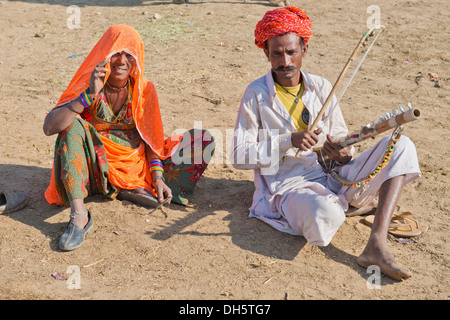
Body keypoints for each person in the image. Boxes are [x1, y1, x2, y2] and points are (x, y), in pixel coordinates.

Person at [231, 7, 421, 280]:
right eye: (277, 53)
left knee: (403, 145)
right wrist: (288, 140)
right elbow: (239, 156)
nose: (285, 61)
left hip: (333, 175)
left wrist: (344, 155)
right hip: (289, 185)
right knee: (325, 213)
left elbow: (342, 139)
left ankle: (376, 243)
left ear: (304, 49)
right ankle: (349, 204)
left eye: (292, 52)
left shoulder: (321, 86)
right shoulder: (256, 94)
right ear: (266, 53)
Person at [44, 25, 214, 251]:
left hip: (136, 166)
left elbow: (151, 139)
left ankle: (134, 188)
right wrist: (88, 95)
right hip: (95, 170)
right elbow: (49, 128)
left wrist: (158, 177)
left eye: (129, 54)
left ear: (137, 59)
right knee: (71, 125)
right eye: (116, 53)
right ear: (104, 54)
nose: (121, 61)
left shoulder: (144, 90)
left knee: (201, 140)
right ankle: (80, 216)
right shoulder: (89, 83)